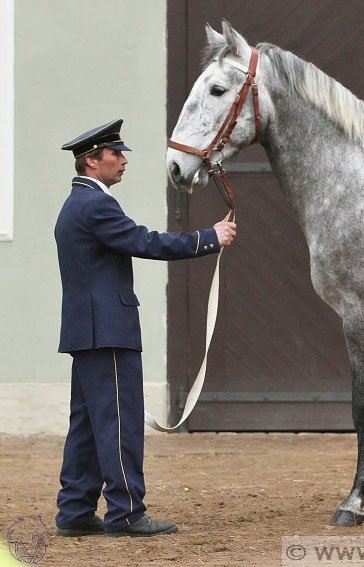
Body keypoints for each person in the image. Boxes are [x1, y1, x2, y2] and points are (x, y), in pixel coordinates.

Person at [53, 119, 236, 537]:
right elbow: (144, 242)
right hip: (108, 331)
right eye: (115, 154)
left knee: (87, 426)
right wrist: (208, 237)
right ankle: (126, 512)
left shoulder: (75, 203)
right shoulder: (97, 204)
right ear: (92, 161)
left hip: (88, 333)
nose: (123, 160)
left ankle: (77, 511)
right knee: (120, 423)